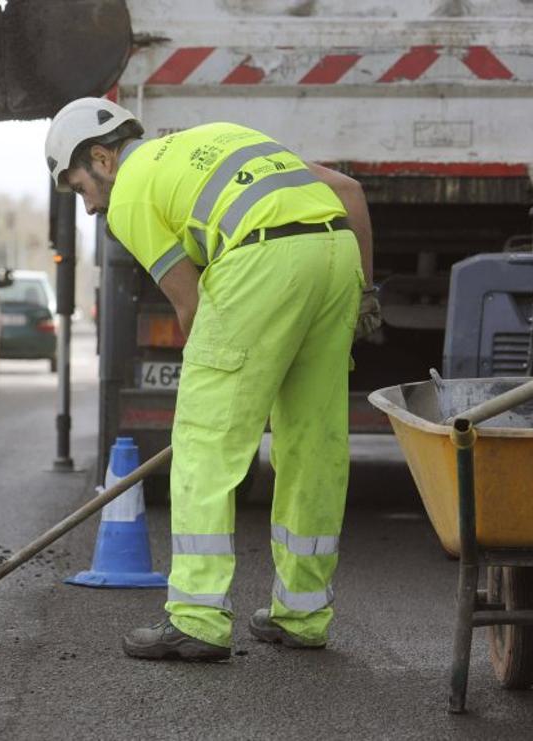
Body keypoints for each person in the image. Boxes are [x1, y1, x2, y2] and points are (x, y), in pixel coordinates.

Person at [44, 98, 381, 660]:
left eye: (80, 188)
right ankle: (302, 614)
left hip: (259, 264)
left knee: (205, 443)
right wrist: (366, 291)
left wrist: (224, 397)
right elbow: (348, 191)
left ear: (103, 158)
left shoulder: (130, 192)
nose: (87, 207)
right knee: (312, 444)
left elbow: (191, 302)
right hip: (334, 254)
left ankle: (197, 620)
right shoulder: (220, 138)